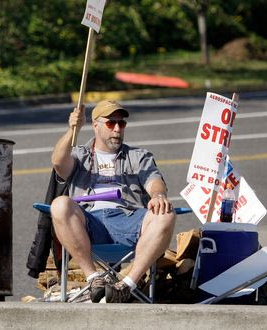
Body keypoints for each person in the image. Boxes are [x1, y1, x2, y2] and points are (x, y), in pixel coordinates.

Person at [50, 100, 175, 303]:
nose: (117, 129)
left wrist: (158, 195)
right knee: (60, 204)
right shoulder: (79, 155)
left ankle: (126, 285)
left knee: (165, 214)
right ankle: (94, 278)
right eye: (110, 123)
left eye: (121, 123)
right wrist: (72, 129)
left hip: (128, 220)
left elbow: (155, 181)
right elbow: (58, 161)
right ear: (96, 125)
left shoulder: (138, 156)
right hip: (89, 223)